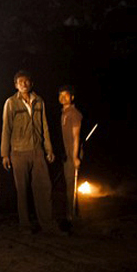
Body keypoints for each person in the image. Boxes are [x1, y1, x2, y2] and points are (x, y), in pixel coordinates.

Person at [1, 70, 58, 234]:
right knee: (22, 190)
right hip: (18, 152)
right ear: (16, 85)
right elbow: (6, 128)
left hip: (37, 150)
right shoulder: (11, 103)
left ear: (31, 83)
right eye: (20, 82)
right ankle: (25, 225)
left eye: (26, 81)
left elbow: (45, 126)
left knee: (44, 187)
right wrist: (5, 154)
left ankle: (47, 223)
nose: (24, 84)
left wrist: (49, 149)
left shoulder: (39, 101)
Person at [59, 84, 82, 222]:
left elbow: (76, 137)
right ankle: (73, 213)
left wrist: (75, 157)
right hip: (67, 154)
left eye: (66, 95)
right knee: (68, 184)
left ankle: (71, 215)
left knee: (71, 185)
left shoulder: (75, 114)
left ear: (72, 97)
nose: (63, 98)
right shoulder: (64, 113)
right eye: (60, 95)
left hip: (73, 154)